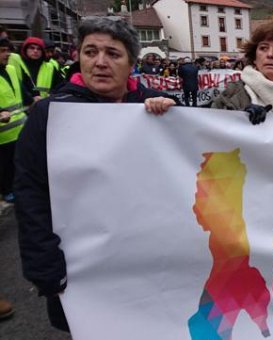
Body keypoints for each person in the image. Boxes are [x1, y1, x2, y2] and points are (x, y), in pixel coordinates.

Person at [14, 16, 177, 332]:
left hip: (145, 258)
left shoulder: (151, 107)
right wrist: (43, 262)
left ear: (131, 62)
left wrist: (175, 110)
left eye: (113, 54)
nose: (100, 62)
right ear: (78, 57)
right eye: (90, 52)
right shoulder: (51, 114)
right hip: (81, 263)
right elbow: (30, 190)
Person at [1, 37, 34, 204]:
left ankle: (16, 188)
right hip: (2, 136)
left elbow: (21, 91)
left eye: (7, 50)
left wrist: (32, 99)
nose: (6, 54)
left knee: (18, 164)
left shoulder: (11, 70)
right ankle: (6, 190)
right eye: (2, 51)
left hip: (19, 129)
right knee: (5, 166)